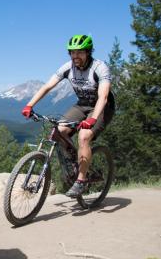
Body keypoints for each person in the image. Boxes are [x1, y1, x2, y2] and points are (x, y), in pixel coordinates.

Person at [21, 34, 115, 197]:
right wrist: (29, 105)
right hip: (82, 105)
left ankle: (81, 180)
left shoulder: (99, 67)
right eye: (72, 52)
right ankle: (73, 165)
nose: (75, 56)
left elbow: (103, 97)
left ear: (88, 52)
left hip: (102, 107)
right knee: (58, 132)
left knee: (84, 136)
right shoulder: (67, 68)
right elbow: (47, 87)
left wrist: (92, 119)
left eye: (79, 52)